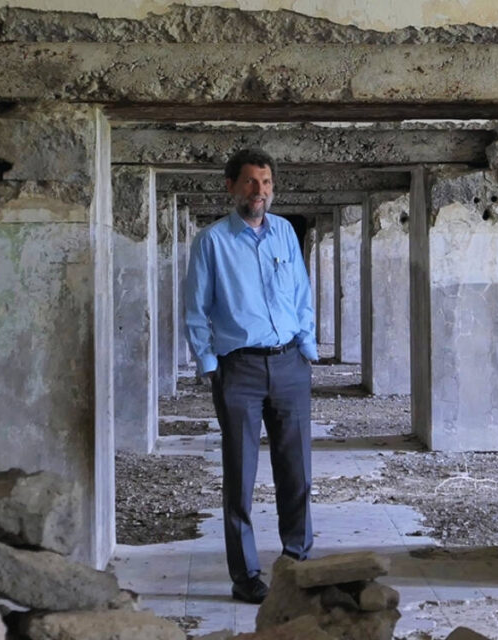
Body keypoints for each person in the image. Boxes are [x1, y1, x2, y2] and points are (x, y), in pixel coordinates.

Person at [185, 148, 318, 604]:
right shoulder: (211, 242)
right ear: (231, 187)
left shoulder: (285, 233)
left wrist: (307, 348)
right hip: (238, 370)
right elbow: (196, 310)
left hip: (289, 365)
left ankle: (297, 563)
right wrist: (209, 366)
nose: (258, 191)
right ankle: (245, 577)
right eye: (249, 182)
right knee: (240, 476)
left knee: (296, 472)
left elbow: (301, 295)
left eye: (265, 183)